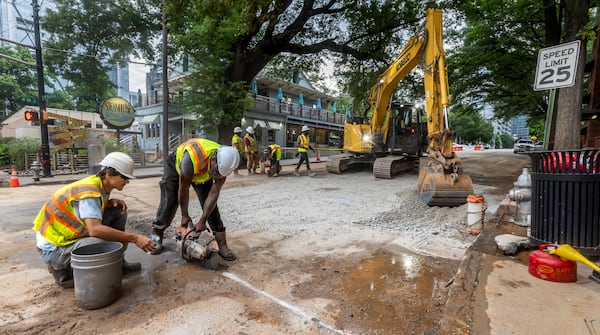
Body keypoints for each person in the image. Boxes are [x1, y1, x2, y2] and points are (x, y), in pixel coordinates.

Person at [33, 152, 156, 288]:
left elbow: (84, 211)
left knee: (118, 213)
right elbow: (95, 230)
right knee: (106, 242)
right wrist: (135, 238)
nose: (127, 181)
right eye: (125, 177)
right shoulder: (89, 192)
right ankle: (62, 272)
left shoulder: (99, 184)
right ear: (109, 174)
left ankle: (118, 263)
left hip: (65, 237)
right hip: (55, 249)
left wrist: (108, 203)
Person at [149, 138, 240, 262]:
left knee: (211, 208)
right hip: (177, 166)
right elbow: (183, 189)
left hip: (201, 171)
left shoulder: (224, 165)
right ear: (213, 160)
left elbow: (213, 194)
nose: (218, 176)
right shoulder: (191, 159)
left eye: (220, 174)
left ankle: (221, 242)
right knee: (169, 201)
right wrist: (184, 216)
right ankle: (156, 234)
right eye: (217, 171)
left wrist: (202, 220)